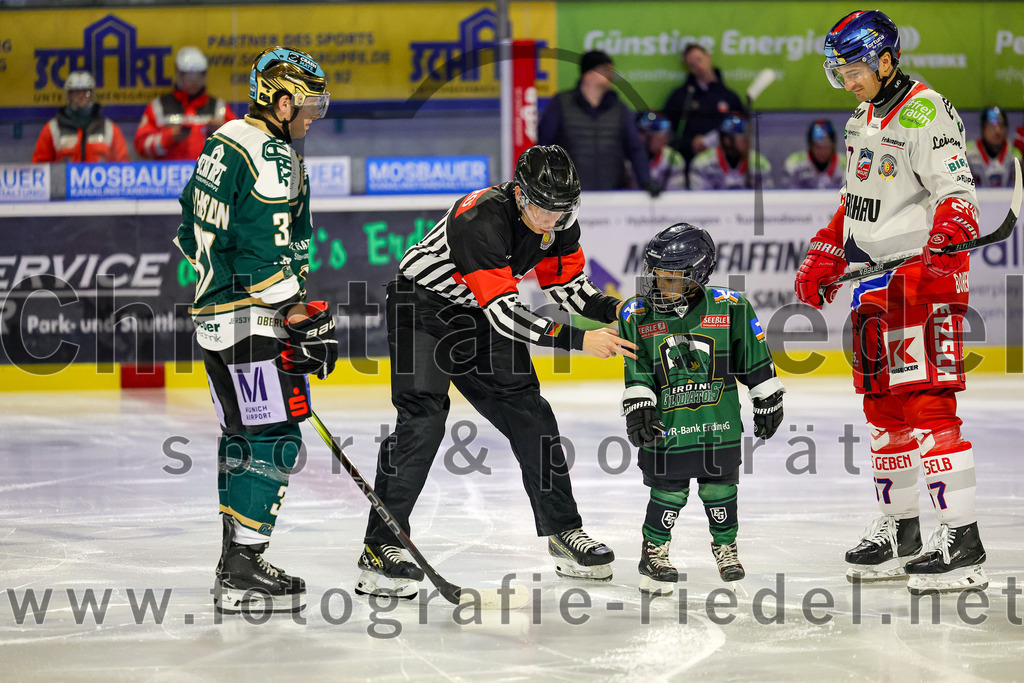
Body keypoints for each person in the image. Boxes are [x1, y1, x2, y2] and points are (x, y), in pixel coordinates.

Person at [356, 145, 637, 598]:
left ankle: (564, 533)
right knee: (423, 423)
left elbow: (571, 290)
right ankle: (380, 548)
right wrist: (582, 340)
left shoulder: (558, 222)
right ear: (521, 195)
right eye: (543, 208)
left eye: (562, 209)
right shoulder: (480, 219)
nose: (551, 219)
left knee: (531, 413)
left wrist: (624, 309)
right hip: (422, 308)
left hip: (479, 312)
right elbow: (507, 316)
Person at [795, 10, 987, 595]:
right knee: (883, 415)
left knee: (929, 409)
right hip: (876, 287)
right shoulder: (863, 117)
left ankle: (963, 540)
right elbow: (856, 200)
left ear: (885, 59)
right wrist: (828, 247)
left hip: (923, 282)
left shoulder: (925, 112)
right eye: (839, 72)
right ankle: (900, 529)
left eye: (853, 69)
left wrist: (949, 236)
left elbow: (958, 192)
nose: (847, 81)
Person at [174, 47, 336, 614]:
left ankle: (234, 560)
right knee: (275, 436)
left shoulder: (221, 142)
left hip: (216, 318)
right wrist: (293, 312)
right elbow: (267, 253)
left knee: (242, 435)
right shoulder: (270, 154)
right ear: (281, 99)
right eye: (310, 102)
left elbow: (186, 226)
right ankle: (243, 564)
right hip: (252, 321)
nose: (315, 113)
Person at [619, 223, 784, 595]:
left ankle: (725, 547)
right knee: (668, 489)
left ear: (699, 274)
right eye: (658, 274)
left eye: (674, 278)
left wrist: (766, 394)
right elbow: (638, 366)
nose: (663, 284)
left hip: (718, 422)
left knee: (720, 487)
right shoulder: (636, 313)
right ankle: (653, 553)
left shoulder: (731, 306)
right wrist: (639, 402)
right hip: (669, 424)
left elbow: (752, 357)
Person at [537, 50, 653, 193]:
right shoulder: (561, 103)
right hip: (567, 194)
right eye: (605, 70)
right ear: (589, 73)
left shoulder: (619, 108)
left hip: (611, 193)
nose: (611, 75)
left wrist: (646, 182)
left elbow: (635, 148)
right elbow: (543, 144)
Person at [136, 46, 236, 161]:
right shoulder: (158, 107)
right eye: (188, 75)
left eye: (199, 75)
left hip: (207, 176)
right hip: (169, 176)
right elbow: (141, 146)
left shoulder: (219, 107)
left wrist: (223, 131)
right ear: (178, 74)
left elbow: (240, 144)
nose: (194, 80)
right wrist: (169, 137)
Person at [663, 44, 747, 169]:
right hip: (690, 163)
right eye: (691, 64)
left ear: (708, 57)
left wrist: (719, 140)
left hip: (725, 163)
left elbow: (743, 128)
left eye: (699, 59)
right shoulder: (681, 97)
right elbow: (668, 134)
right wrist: (691, 144)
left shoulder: (729, 96)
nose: (697, 65)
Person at [32, 71, 129, 163]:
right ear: (68, 95)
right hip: (63, 180)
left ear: (92, 95)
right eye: (75, 92)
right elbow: (40, 168)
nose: (81, 96)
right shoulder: (52, 129)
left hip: (100, 180)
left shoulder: (109, 129)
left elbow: (124, 167)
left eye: (86, 92)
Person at [688, 115, 772, 191]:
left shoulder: (760, 164)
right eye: (742, 136)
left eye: (747, 135)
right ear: (726, 140)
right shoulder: (702, 164)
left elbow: (767, 199)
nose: (747, 140)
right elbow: (698, 199)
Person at [966, 106, 1021, 188]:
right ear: (982, 129)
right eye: (991, 126)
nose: (997, 131)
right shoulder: (968, 153)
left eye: (1001, 126)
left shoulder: (1014, 155)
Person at [782, 119, 844, 189]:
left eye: (826, 146)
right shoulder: (795, 164)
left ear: (833, 146)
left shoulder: (845, 165)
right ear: (810, 146)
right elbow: (788, 194)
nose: (822, 151)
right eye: (818, 147)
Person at [635, 112, 686, 193]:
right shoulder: (629, 158)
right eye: (659, 136)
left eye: (665, 136)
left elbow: (676, 196)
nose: (664, 140)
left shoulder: (673, 159)